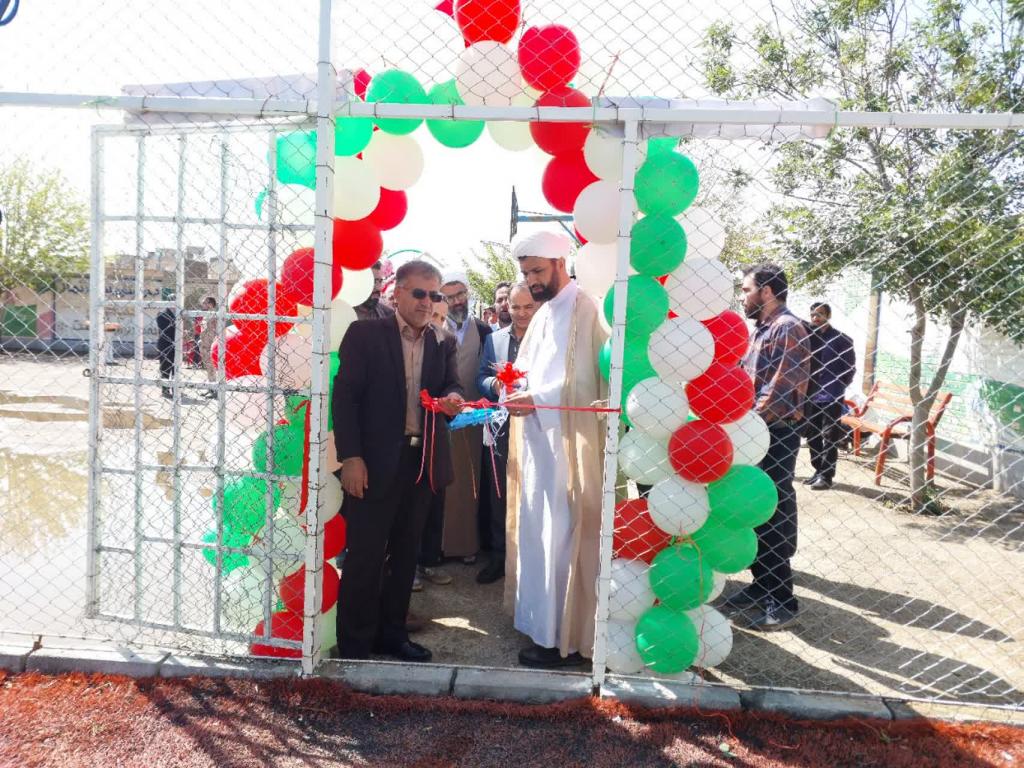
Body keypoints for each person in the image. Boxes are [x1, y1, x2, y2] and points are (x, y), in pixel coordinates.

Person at [331, 260, 464, 662]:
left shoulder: (442, 340)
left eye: (434, 295)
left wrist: (453, 399)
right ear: (397, 293)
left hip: (421, 463)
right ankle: (355, 645)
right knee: (365, 555)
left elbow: (452, 383)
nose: (427, 302)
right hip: (371, 464)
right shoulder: (365, 334)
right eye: (419, 293)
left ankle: (392, 635)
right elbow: (346, 397)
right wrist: (351, 457)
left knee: (406, 555)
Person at [503, 231, 607, 668]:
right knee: (537, 534)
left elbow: (590, 384)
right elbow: (528, 369)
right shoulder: (544, 313)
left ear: (561, 263)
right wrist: (513, 385)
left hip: (569, 451)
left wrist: (538, 399)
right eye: (526, 273)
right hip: (537, 446)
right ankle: (539, 626)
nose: (531, 281)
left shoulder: (588, 309)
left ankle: (562, 639)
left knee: (563, 536)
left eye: (537, 271)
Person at [721, 264, 810, 632]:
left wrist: (745, 427)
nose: (743, 297)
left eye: (747, 290)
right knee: (752, 512)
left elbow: (778, 390)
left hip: (773, 434)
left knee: (771, 514)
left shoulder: (788, 328)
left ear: (767, 291)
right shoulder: (762, 329)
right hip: (754, 434)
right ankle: (761, 585)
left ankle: (783, 601)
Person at [474, 282, 540, 584]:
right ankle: (499, 556)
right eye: (516, 307)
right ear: (506, 307)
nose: (522, 313)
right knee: (499, 492)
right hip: (501, 428)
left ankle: (532, 559)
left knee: (534, 492)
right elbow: (480, 377)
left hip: (539, 428)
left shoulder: (547, 338)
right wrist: (495, 384)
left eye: (528, 307)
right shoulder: (494, 339)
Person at [438, 272, 492, 565]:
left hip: (473, 421)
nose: (457, 301)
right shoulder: (434, 328)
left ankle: (466, 545)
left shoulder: (483, 331)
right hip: (440, 417)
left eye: (460, 294)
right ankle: (436, 547)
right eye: (450, 297)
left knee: (469, 483)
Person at [804, 302, 856, 490]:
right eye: (813, 315)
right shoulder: (809, 338)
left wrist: (838, 386)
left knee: (829, 436)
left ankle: (826, 476)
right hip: (811, 395)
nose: (815, 318)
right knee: (812, 435)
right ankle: (818, 470)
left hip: (831, 395)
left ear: (828, 316)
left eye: (819, 314)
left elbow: (850, 369)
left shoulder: (841, 339)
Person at [198, 296, 218, 398]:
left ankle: (214, 390)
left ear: (210, 304)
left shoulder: (214, 315)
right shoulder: (207, 315)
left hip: (210, 345)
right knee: (208, 368)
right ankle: (211, 388)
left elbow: (216, 331)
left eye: (205, 303)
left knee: (211, 368)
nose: (203, 304)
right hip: (204, 345)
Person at [155, 304, 177, 399]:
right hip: (165, 345)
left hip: (176, 345)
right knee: (165, 367)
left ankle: (175, 389)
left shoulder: (179, 314)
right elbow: (166, 329)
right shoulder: (162, 314)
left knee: (176, 368)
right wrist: (177, 322)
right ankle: (165, 389)